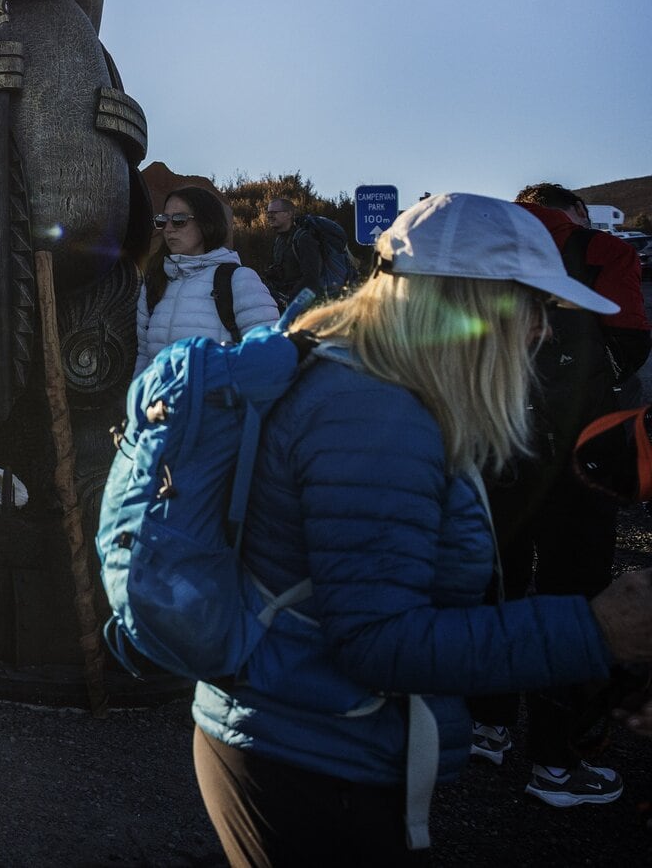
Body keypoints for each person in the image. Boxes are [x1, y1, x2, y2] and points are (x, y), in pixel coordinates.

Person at [190, 193, 652, 866]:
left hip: (289, 738)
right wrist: (596, 629)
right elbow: (380, 643)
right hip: (312, 760)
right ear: (471, 303)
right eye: (533, 308)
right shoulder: (375, 415)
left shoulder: (352, 373)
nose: (540, 333)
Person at [468, 181, 652, 804]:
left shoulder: (488, 244)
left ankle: (485, 728)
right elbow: (630, 336)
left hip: (498, 441)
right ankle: (556, 761)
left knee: (497, 586)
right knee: (573, 600)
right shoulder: (602, 248)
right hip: (582, 451)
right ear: (573, 211)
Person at [135, 186, 279, 375]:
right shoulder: (155, 283)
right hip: (161, 402)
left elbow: (268, 355)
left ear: (206, 223)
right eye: (163, 221)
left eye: (179, 220)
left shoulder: (238, 280)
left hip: (219, 402)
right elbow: (145, 356)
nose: (168, 229)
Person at [262, 196, 352, 308]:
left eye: (274, 212)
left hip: (309, 305)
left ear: (289, 214)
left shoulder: (303, 239)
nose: (270, 216)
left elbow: (311, 278)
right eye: (268, 212)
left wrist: (290, 300)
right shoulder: (280, 240)